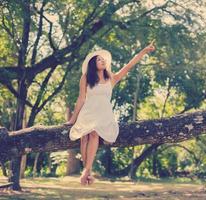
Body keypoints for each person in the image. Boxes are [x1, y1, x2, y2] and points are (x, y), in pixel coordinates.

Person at [64, 40, 156, 185]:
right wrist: (72, 119)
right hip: (88, 112)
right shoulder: (86, 78)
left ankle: (85, 172)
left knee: (93, 133)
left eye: (103, 59)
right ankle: (88, 171)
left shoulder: (111, 78)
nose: (102, 61)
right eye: (99, 59)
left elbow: (129, 65)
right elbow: (81, 99)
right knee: (84, 137)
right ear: (93, 63)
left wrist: (143, 51)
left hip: (103, 114)